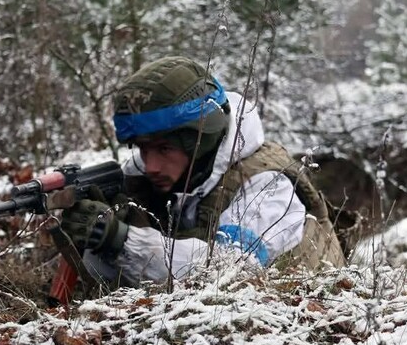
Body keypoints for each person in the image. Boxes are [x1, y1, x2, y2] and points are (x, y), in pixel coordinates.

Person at [60, 56, 346, 288]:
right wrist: (93, 230)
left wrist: (121, 238)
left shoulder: (267, 186)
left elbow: (228, 272)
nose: (151, 165)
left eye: (164, 149)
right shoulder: (150, 173)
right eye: (142, 149)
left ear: (200, 139)